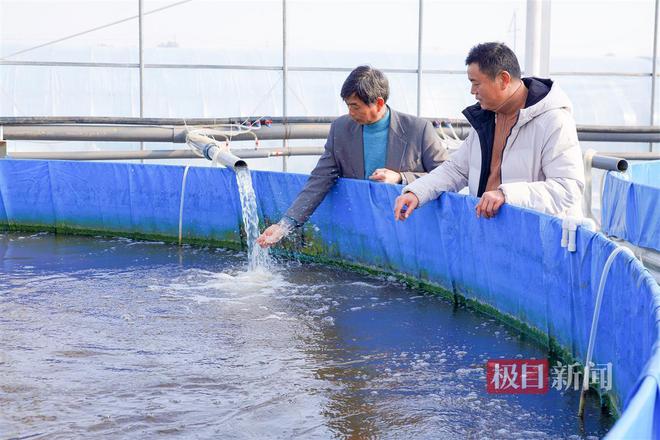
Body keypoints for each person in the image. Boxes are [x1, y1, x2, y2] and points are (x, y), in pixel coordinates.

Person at [257, 65, 448, 247]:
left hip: (408, 234)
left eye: (355, 106)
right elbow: (319, 180)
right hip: (360, 233)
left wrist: (401, 178)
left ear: (379, 102)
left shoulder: (418, 130)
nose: (350, 113)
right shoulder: (340, 129)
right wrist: (284, 225)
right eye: (348, 106)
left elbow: (445, 176)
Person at [394, 42, 584, 222]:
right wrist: (417, 192)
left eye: (476, 83)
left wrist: (507, 195)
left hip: (538, 242)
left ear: (504, 79)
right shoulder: (486, 120)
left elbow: (568, 187)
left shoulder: (554, 122)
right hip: (492, 237)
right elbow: (456, 169)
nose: (472, 91)